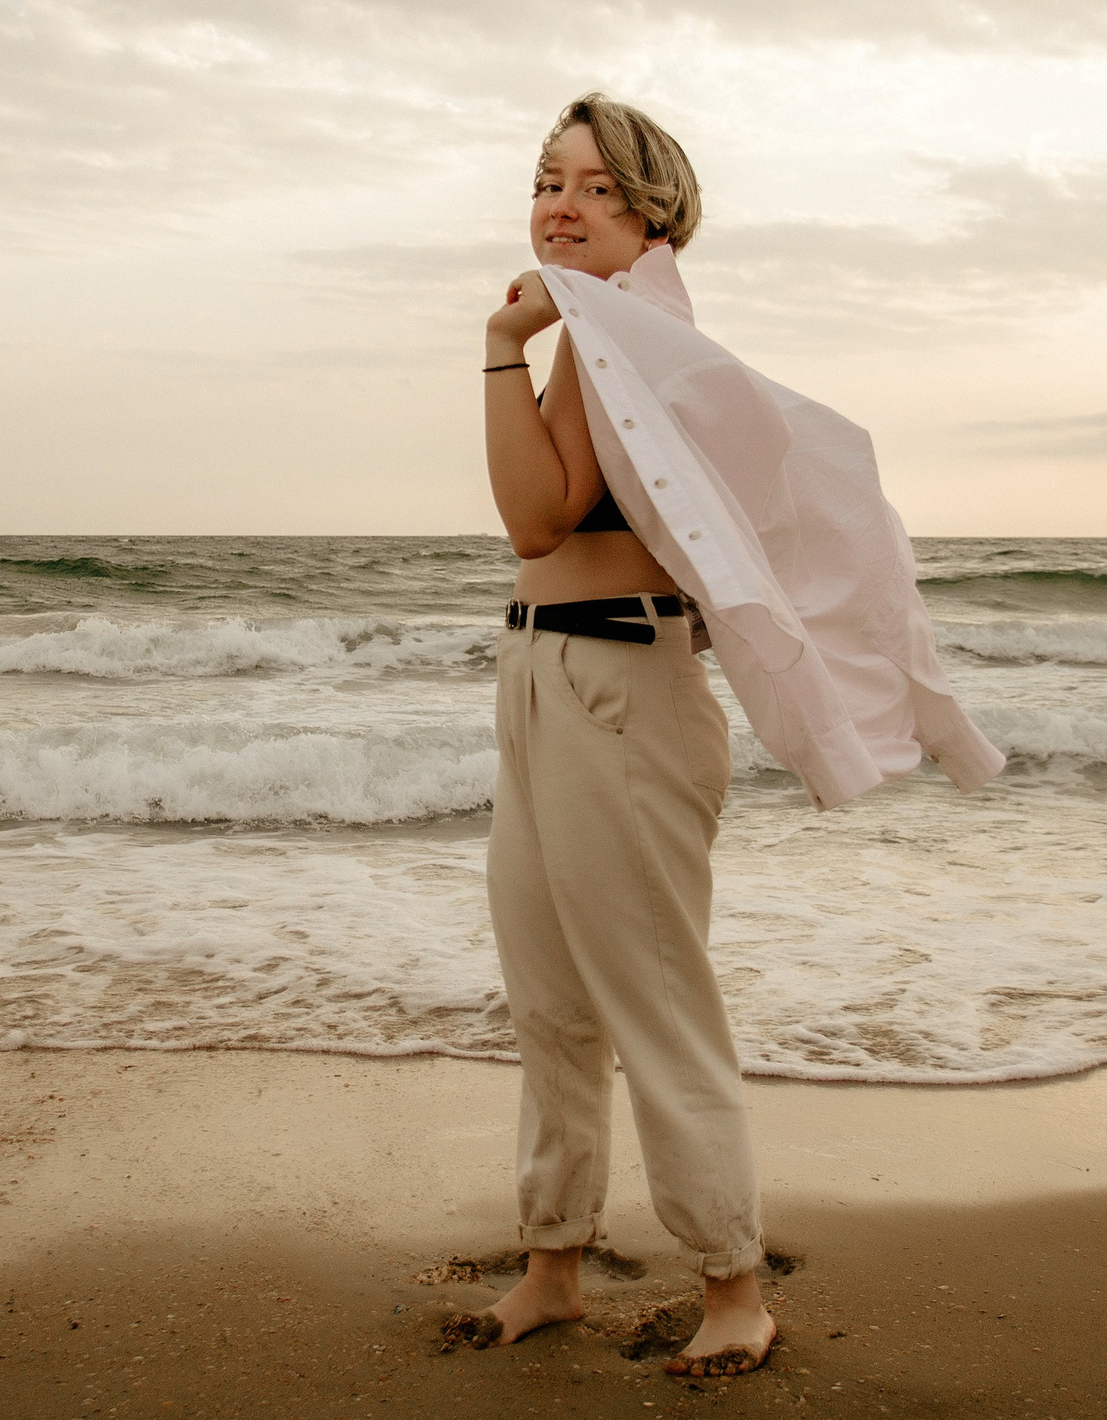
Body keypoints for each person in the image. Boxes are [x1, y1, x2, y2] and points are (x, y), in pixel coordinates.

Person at [450, 93, 774, 1378]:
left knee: (649, 998)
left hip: (619, 686)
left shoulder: (622, 330)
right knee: (548, 998)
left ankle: (734, 1285)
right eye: (546, 182)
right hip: (544, 675)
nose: (560, 206)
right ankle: (553, 1264)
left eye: (594, 188)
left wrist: (494, 344)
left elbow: (538, 515)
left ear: (653, 215)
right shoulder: (597, 327)